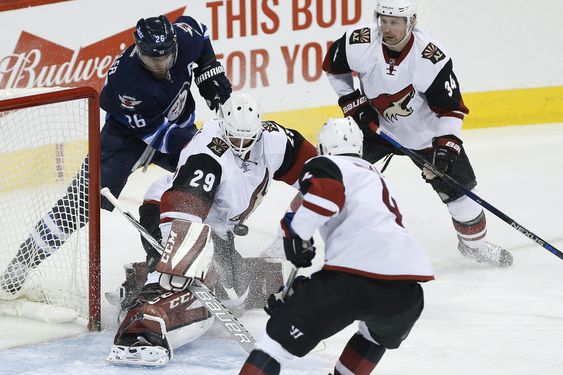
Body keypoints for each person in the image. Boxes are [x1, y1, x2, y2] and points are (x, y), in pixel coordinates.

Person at [0, 14, 232, 296]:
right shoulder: (127, 81)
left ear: (174, 44)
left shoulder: (182, 38)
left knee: (211, 184)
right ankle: (22, 263)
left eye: (166, 57)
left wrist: (209, 68)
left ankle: (212, 260)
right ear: (138, 50)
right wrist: (201, 144)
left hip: (176, 125)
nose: (160, 65)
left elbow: (199, 29)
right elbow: (160, 138)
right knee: (81, 202)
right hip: (127, 137)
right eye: (151, 60)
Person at [107, 93, 318, 366]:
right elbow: (184, 210)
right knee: (185, 279)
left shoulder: (274, 140)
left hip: (217, 226)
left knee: (234, 295)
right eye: (235, 138)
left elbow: (320, 177)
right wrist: (178, 262)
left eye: (247, 139)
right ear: (223, 126)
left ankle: (144, 279)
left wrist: (296, 229)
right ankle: (143, 313)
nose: (241, 146)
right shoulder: (206, 152)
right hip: (166, 210)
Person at [321, 0, 512, 268]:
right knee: (333, 173)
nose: (387, 28)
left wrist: (444, 151)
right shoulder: (360, 41)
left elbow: (451, 109)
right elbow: (333, 66)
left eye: (395, 22)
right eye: (384, 20)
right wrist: (353, 101)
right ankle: (311, 235)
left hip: (426, 135)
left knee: (463, 198)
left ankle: (475, 247)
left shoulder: (430, 58)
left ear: (411, 22)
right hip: (374, 128)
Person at [239, 117, 434, 375]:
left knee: (273, 346)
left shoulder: (326, 164)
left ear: (322, 148)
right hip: (406, 295)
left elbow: (327, 196)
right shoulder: (377, 177)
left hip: (351, 282)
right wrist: (302, 289)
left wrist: (298, 235)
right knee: (372, 337)